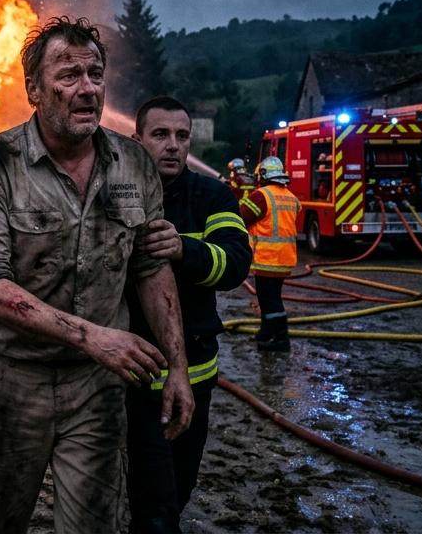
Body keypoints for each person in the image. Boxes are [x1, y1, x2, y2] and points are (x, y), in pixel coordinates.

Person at [0, 16, 194, 533]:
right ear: (34, 89)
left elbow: (152, 266)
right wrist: (92, 337)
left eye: (95, 73)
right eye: (68, 76)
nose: (87, 89)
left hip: (96, 388)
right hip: (10, 380)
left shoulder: (133, 164)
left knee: (93, 526)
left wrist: (178, 367)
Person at [127, 97, 253, 533]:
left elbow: (236, 263)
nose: (174, 146)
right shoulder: (115, 196)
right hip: (133, 376)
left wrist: (185, 249)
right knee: (154, 503)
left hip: (196, 373)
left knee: (179, 487)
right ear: (136, 139)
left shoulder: (213, 196)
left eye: (182, 136)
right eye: (160, 135)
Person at [240, 156, 301, 352]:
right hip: (285, 257)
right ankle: (266, 333)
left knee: (270, 300)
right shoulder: (291, 196)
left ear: (263, 175)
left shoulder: (261, 196)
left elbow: (241, 217)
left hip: (268, 258)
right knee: (270, 298)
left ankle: (281, 339)